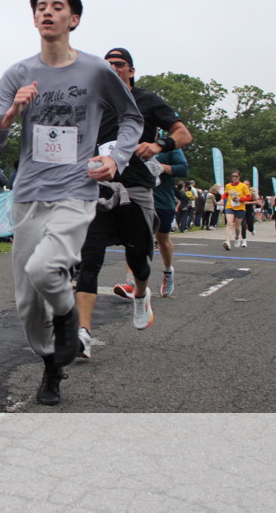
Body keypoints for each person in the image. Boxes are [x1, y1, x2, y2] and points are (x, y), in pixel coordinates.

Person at [0, 0, 143, 406]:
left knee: (45, 268)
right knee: (27, 302)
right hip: (29, 192)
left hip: (76, 189)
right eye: (40, 6)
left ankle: (69, 314)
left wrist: (116, 158)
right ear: (34, 17)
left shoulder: (95, 71)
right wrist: (11, 113)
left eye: (57, 6)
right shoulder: (18, 74)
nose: (47, 12)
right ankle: (51, 363)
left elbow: (132, 118)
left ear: (74, 19)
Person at [74, 48, 192, 360]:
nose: (113, 68)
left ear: (131, 70)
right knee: (90, 259)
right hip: (100, 188)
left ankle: (140, 295)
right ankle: (83, 333)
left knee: (138, 257)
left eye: (119, 64)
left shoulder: (147, 101)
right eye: (107, 65)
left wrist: (158, 145)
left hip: (137, 187)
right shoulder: (93, 103)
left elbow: (183, 134)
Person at [153, 145, 189, 298]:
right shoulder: (133, 142)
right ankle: (131, 282)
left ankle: (168, 271)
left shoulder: (168, 146)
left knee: (163, 240)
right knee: (136, 240)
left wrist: (159, 167)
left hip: (162, 202)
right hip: (140, 200)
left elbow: (183, 169)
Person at [222, 170, 252, 250]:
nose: (234, 178)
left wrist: (240, 199)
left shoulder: (243, 186)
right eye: (233, 176)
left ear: (239, 177)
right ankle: (227, 242)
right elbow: (226, 194)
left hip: (240, 208)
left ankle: (237, 237)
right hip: (230, 206)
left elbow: (249, 197)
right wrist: (222, 199)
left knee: (237, 227)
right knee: (229, 223)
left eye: (236, 176)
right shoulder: (228, 185)